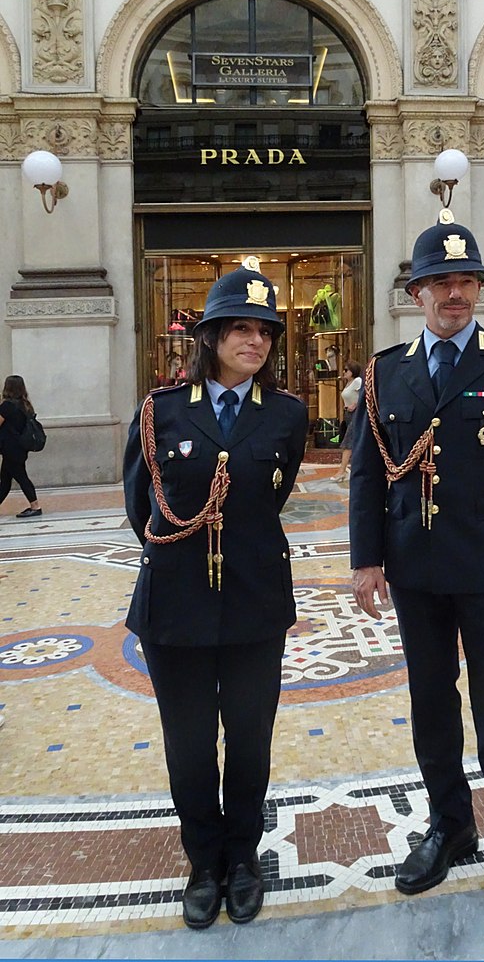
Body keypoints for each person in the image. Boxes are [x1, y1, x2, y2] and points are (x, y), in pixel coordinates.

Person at [349, 215, 484, 960]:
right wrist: (366, 559)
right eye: (441, 281)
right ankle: (449, 824)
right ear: (416, 291)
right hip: (416, 574)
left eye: (467, 280)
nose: (456, 292)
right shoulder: (385, 372)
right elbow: (368, 475)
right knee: (431, 707)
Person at [123, 259, 307, 930]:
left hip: (256, 602)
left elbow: (270, 500)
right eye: (239, 329)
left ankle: (242, 858)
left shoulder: (286, 414)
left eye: (264, 331)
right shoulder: (161, 410)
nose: (254, 342)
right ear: (211, 337)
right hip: (175, 605)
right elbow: (139, 503)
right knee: (191, 743)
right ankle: (203, 862)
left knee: (251, 740)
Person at [0, 375, 43, 518]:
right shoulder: (25, 405)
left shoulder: (7, 406)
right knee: (5, 481)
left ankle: (35, 506)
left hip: (10, 448)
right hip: (19, 448)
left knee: (21, 477)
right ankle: (35, 506)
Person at [330, 360, 362, 482]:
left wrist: (356, 405)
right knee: (353, 442)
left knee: (348, 442)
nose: (344, 372)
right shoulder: (348, 384)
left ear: (352, 371)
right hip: (348, 414)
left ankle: (342, 470)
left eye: (346, 370)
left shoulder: (357, 381)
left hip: (356, 414)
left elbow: (365, 395)